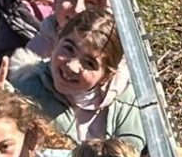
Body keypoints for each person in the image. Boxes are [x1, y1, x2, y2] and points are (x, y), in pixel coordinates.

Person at [9, 10, 144, 148]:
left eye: (89, 63)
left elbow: (129, 156)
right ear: (57, 41)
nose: (72, 66)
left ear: (106, 76)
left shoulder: (127, 104)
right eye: (69, 49)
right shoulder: (25, 86)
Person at [10, 0, 116, 75]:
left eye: (90, 2)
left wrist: (108, 24)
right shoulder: (35, 52)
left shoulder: (122, 53)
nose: (77, 9)